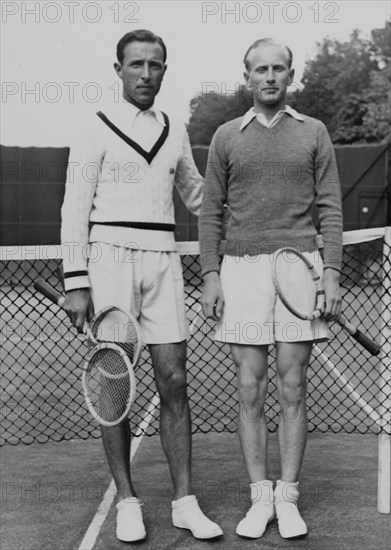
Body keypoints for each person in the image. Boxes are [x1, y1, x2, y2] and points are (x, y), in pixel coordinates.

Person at [61, 29, 223, 543]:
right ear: (118, 70)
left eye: (155, 65)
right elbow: (73, 209)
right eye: (136, 65)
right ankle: (128, 501)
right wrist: (76, 281)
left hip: (164, 260)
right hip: (108, 261)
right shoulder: (94, 127)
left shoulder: (175, 129)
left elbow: (197, 196)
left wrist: (250, 207)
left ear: (164, 71)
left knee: (174, 380)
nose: (146, 74)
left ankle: (184, 502)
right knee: (114, 386)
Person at [199, 37, 343, 540]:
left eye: (278, 68)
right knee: (248, 387)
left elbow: (329, 206)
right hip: (240, 270)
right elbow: (210, 212)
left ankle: (288, 497)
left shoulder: (314, 133)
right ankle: (260, 496)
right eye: (260, 69)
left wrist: (330, 272)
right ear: (247, 76)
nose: (269, 77)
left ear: (290, 75)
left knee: (294, 385)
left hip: (299, 267)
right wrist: (212, 274)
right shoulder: (225, 137)